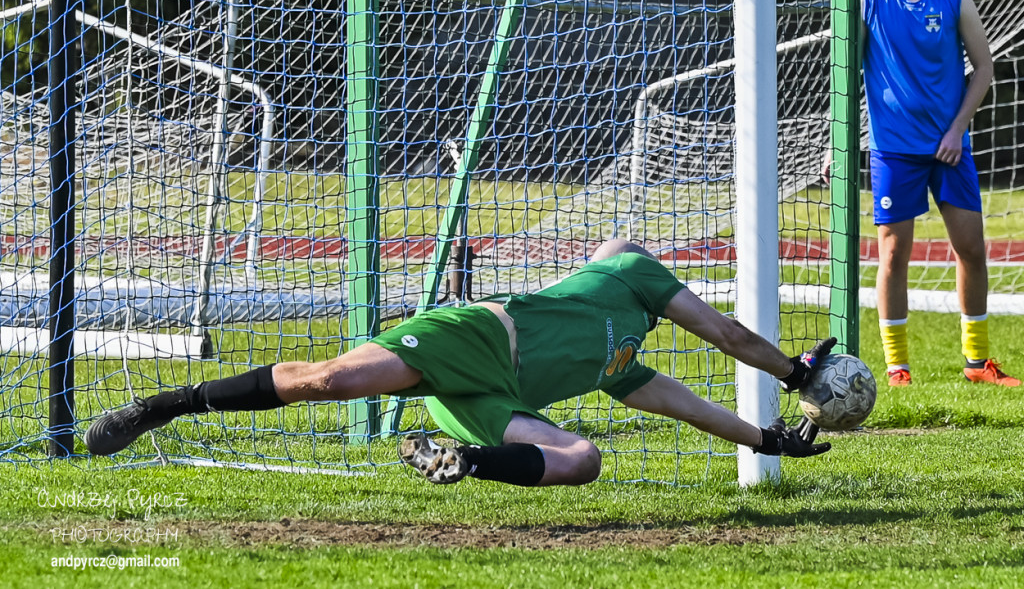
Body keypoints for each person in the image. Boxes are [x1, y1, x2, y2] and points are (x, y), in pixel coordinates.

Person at [85, 239, 834, 486]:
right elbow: (727, 334)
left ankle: (463, 461)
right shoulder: (630, 271)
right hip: (475, 338)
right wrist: (794, 374)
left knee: (584, 460)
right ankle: (162, 407)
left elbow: (688, 406)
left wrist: (767, 441)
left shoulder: (625, 367)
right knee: (332, 381)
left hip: (486, 400)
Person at [861, 0, 1017, 387]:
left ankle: (977, 363)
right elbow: (842, 76)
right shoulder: (867, 0)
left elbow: (984, 68)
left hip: (951, 148)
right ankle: (897, 367)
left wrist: (957, 130)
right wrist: (835, 143)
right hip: (893, 150)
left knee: (971, 248)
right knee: (893, 256)